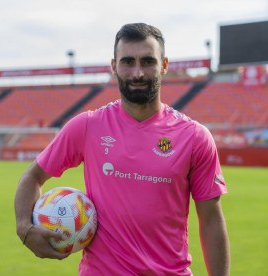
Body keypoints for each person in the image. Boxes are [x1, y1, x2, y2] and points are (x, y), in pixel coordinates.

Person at [14, 23, 230, 276]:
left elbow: (211, 220)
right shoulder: (86, 126)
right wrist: (24, 228)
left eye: (148, 61)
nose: (137, 72)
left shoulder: (194, 137)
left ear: (164, 65)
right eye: (128, 62)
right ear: (114, 66)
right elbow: (32, 176)